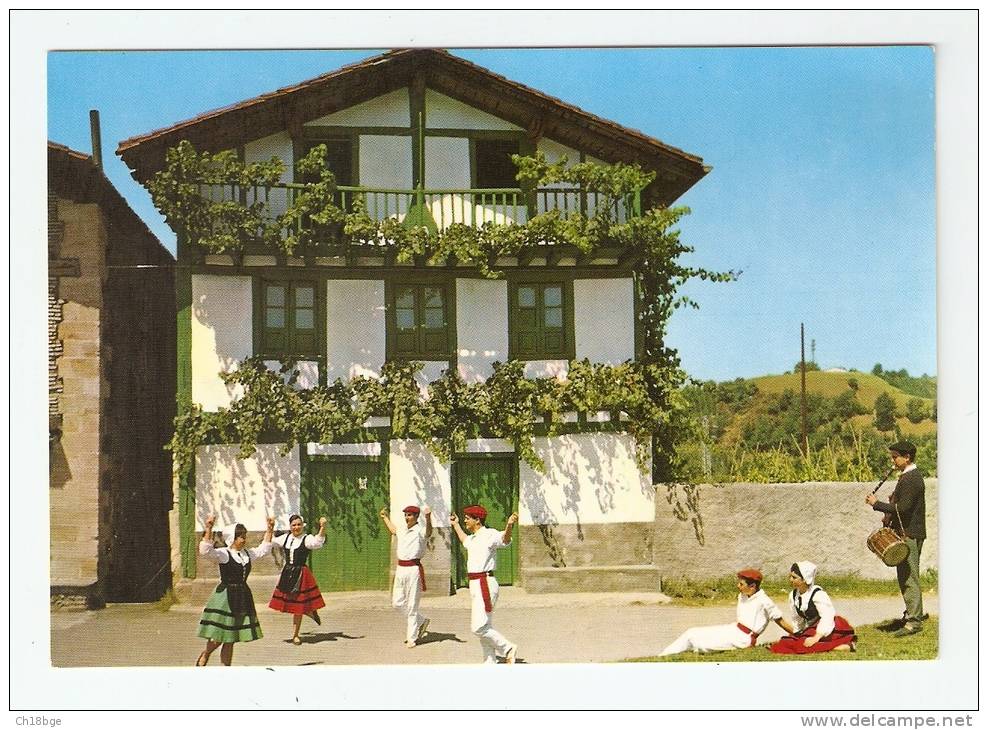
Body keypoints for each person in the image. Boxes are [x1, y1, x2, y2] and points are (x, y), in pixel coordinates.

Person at [865, 439, 927, 637]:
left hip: (910, 534)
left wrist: (877, 503)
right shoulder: (906, 477)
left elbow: (904, 509)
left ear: (907, 457)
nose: (893, 461)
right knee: (905, 577)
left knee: (909, 577)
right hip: (905, 532)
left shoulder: (912, 479)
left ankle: (914, 622)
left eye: (895, 457)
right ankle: (911, 613)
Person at [195, 514, 274, 666]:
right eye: (240, 537)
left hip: (242, 596)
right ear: (232, 538)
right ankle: (206, 654)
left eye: (244, 536)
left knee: (231, 638)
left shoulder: (246, 554)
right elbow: (205, 551)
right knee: (219, 636)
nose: (244, 540)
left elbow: (263, 550)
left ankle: (227, 669)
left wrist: (270, 529)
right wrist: (209, 528)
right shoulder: (224, 554)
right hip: (225, 597)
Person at [660, 568, 794, 656]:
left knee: (699, 642)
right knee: (692, 632)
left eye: (741, 584)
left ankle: (663, 657)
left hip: (743, 639)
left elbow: (781, 622)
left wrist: (802, 635)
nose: (738, 586)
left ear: (752, 587)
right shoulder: (743, 594)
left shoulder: (765, 602)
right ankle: (663, 655)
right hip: (734, 629)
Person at [449, 505, 519, 664]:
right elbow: (464, 540)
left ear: (477, 519)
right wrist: (456, 525)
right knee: (485, 625)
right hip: (474, 585)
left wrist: (509, 525)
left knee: (479, 627)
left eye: (467, 518)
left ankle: (507, 648)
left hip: (485, 583)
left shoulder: (489, 534)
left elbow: (505, 539)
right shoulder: (473, 538)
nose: (465, 520)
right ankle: (489, 660)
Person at [770, 561, 856, 654]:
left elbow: (827, 616)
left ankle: (843, 646)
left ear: (804, 579)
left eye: (794, 577)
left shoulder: (818, 594)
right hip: (811, 628)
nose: (790, 579)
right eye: (790, 576)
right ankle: (820, 645)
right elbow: (797, 618)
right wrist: (798, 634)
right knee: (786, 642)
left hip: (828, 627)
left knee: (801, 646)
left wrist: (817, 637)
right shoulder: (793, 595)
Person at [268, 514, 328, 645]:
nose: (296, 527)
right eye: (294, 525)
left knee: (298, 607)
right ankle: (310, 611)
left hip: (301, 574)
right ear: (290, 527)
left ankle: (295, 635)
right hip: (288, 573)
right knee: (290, 603)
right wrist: (270, 527)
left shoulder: (307, 539)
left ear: (302, 525)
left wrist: (323, 527)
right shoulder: (285, 538)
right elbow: (270, 540)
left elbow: (318, 542)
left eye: (299, 524)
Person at [379, 504, 433, 647]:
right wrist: (385, 518)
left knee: (412, 605)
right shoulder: (402, 530)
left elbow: (429, 532)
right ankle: (421, 621)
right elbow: (393, 530)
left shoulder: (420, 531)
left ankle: (412, 638)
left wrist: (428, 517)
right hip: (400, 569)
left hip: (413, 569)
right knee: (397, 603)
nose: (406, 518)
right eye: (405, 515)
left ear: (416, 517)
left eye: (409, 515)